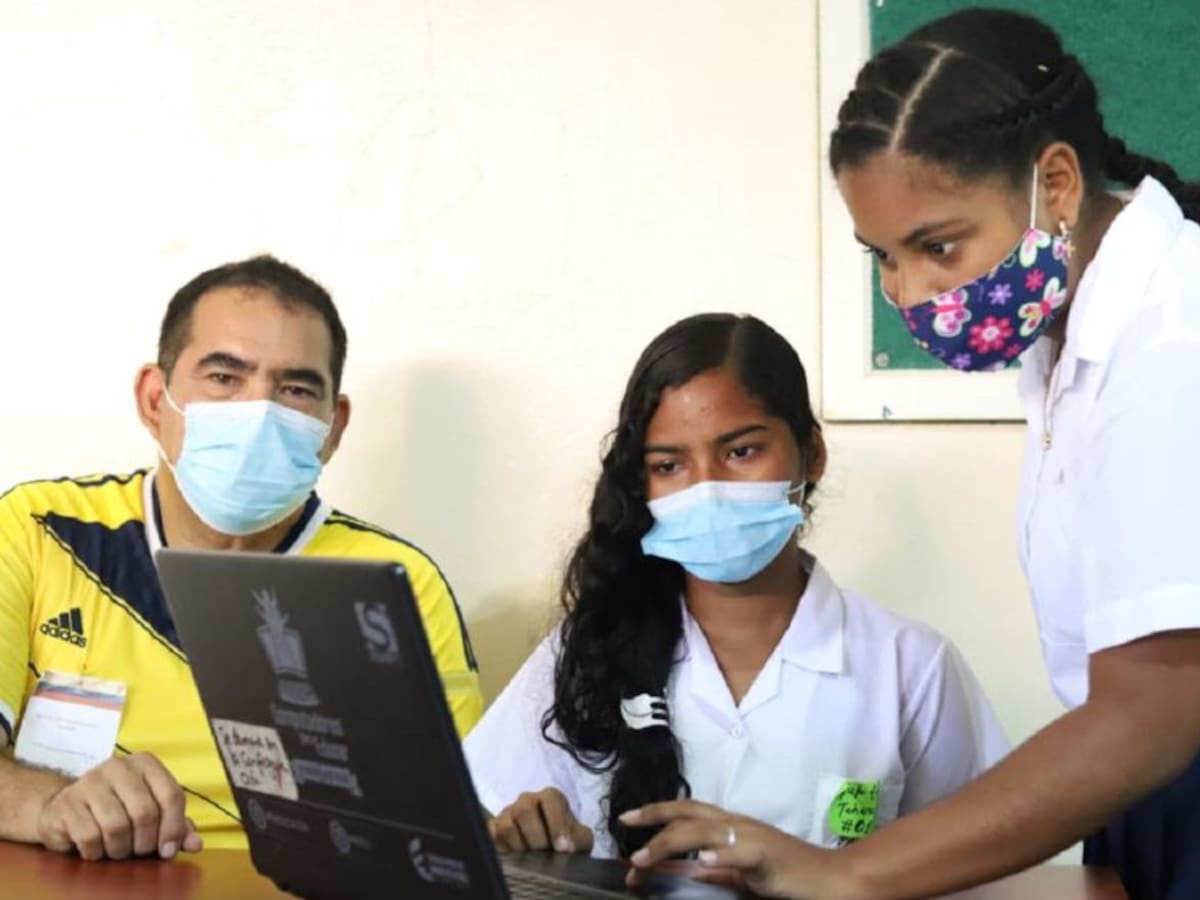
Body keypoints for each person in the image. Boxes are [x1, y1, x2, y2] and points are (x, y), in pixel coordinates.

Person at [624, 10, 1200, 900]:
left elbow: (1160, 707)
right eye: (882, 258)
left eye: (937, 246)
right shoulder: (1069, 340)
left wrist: (848, 872)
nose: (909, 293)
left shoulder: (1172, 331)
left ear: (1055, 183)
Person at [463, 313, 1008, 861]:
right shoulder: (587, 647)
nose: (708, 490)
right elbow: (490, 823)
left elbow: (980, 865)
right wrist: (540, 847)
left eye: (741, 452)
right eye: (669, 465)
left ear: (810, 455)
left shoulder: (910, 666)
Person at [0, 256, 483, 863]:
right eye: (225, 378)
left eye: (296, 389)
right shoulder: (40, 528)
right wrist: (49, 804)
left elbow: (456, 829)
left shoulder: (395, 584)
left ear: (334, 428)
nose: (259, 413)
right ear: (155, 399)